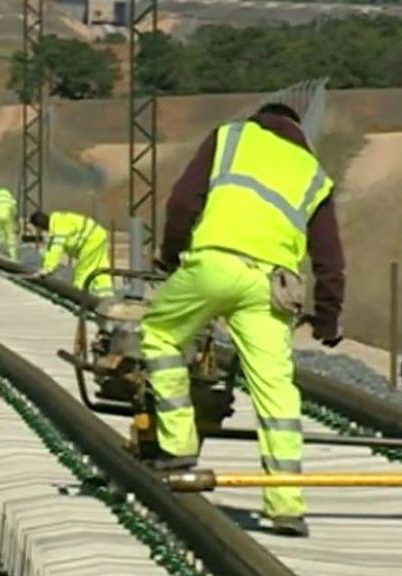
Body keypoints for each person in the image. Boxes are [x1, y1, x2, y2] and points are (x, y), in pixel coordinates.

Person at [139, 102, 345, 538]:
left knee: (160, 333)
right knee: (275, 388)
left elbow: (182, 202)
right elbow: (329, 257)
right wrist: (327, 318)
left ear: (260, 120)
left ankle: (177, 445)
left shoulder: (231, 137)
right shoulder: (312, 172)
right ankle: (286, 503)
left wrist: (171, 255)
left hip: (212, 266)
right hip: (272, 286)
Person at [29, 210, 113, 296]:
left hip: (91, 240)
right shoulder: (57, 222)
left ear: (39, 226)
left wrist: (47, 269)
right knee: (100, 267)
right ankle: (106, 295)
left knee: (83, 270)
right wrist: (45, 267)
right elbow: (50, 250)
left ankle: (79, 296)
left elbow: (56, 249)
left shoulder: (59, 226)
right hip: (98, 235)